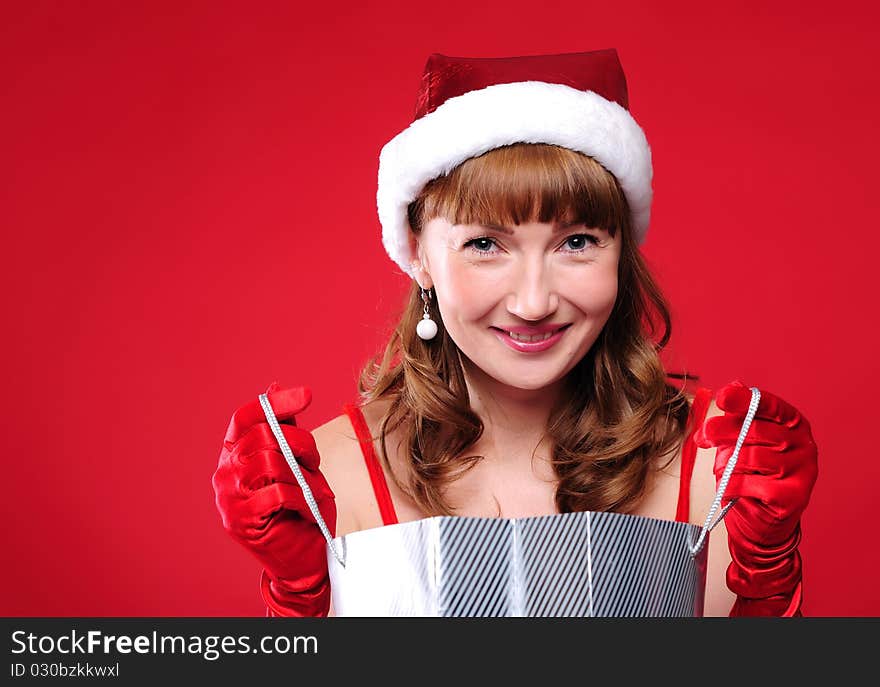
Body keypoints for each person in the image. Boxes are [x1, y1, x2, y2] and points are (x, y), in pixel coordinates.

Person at [212, 49, 818, 618]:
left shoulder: (722, 463)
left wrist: (765, 582)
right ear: (419, 254)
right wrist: (299, 604)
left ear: (622, 251)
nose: (533, 302)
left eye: (577, 242)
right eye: (484, 245)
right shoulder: (330, 479)